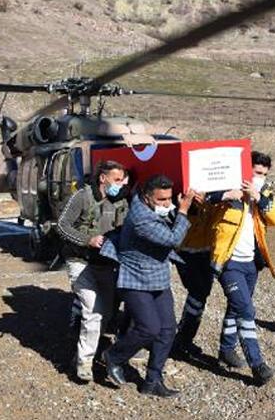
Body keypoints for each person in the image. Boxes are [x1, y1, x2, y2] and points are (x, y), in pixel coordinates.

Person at [101, 175, 195, 398]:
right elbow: (172, 239)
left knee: (167, 329)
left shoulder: (148, 204)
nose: (166, 203)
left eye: (169, 198)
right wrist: (183, 210)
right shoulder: (141, 218)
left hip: (157, 277)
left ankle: (153, 380)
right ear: (146, 197)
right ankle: (114, 356)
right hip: (135, 279)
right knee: (148, 328)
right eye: (161, 199)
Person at [210, 151, 275, 385]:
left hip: (251, 264)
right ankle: (257, 364)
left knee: (236, 306)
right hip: (228, 261)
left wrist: (259, 197)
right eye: (255, 172)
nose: (259, 177)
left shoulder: (265, 194)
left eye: (263, 174)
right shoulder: (228, 190)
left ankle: (226, 349)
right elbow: (206, 199)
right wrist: (226, 193)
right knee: (246, 310)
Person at [56, 160, 130, 382]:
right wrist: (87, 239)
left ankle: (85, 350)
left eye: (123, 180)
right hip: (80, 260)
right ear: (103, 178)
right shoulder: (83, 196)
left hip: (105, 263)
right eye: (117, 180)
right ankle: (84, 363)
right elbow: (62, 226)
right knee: (93, 310)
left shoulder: (122, 201)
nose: (120, 184)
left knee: (106, 313)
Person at [170, 192, 215, 360]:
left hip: (207, 248)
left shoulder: (214, 191)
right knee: (197, 293)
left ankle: (184, 338)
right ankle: (182, 341)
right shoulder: (182, 190)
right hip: (186, 251)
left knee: (201, 295)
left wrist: (209, 202)